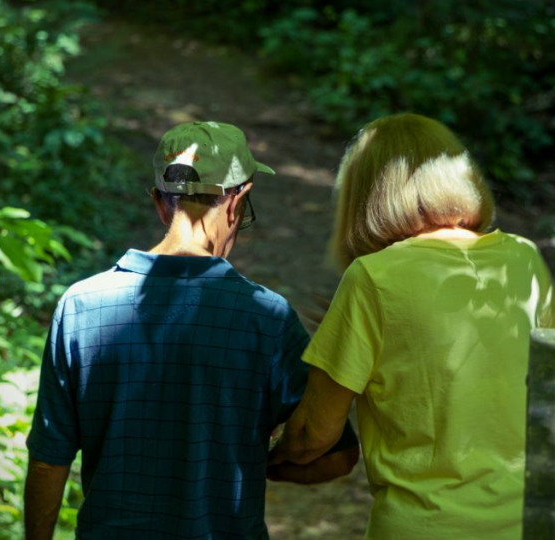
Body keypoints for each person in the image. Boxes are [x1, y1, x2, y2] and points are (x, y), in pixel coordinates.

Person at [24, 121, 359, 540]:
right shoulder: (266, 319)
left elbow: (47, 458)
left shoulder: (80, 306)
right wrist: (256, 460)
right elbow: (336, 456)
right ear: (238, 202)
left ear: (158, 203)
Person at [269, 113, 555, 539]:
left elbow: (314, 435)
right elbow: (554, 392)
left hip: (430, 526)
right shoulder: (524, 259)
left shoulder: (373, 277)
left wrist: (262, 459)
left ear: (365, 196)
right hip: (541, 524)